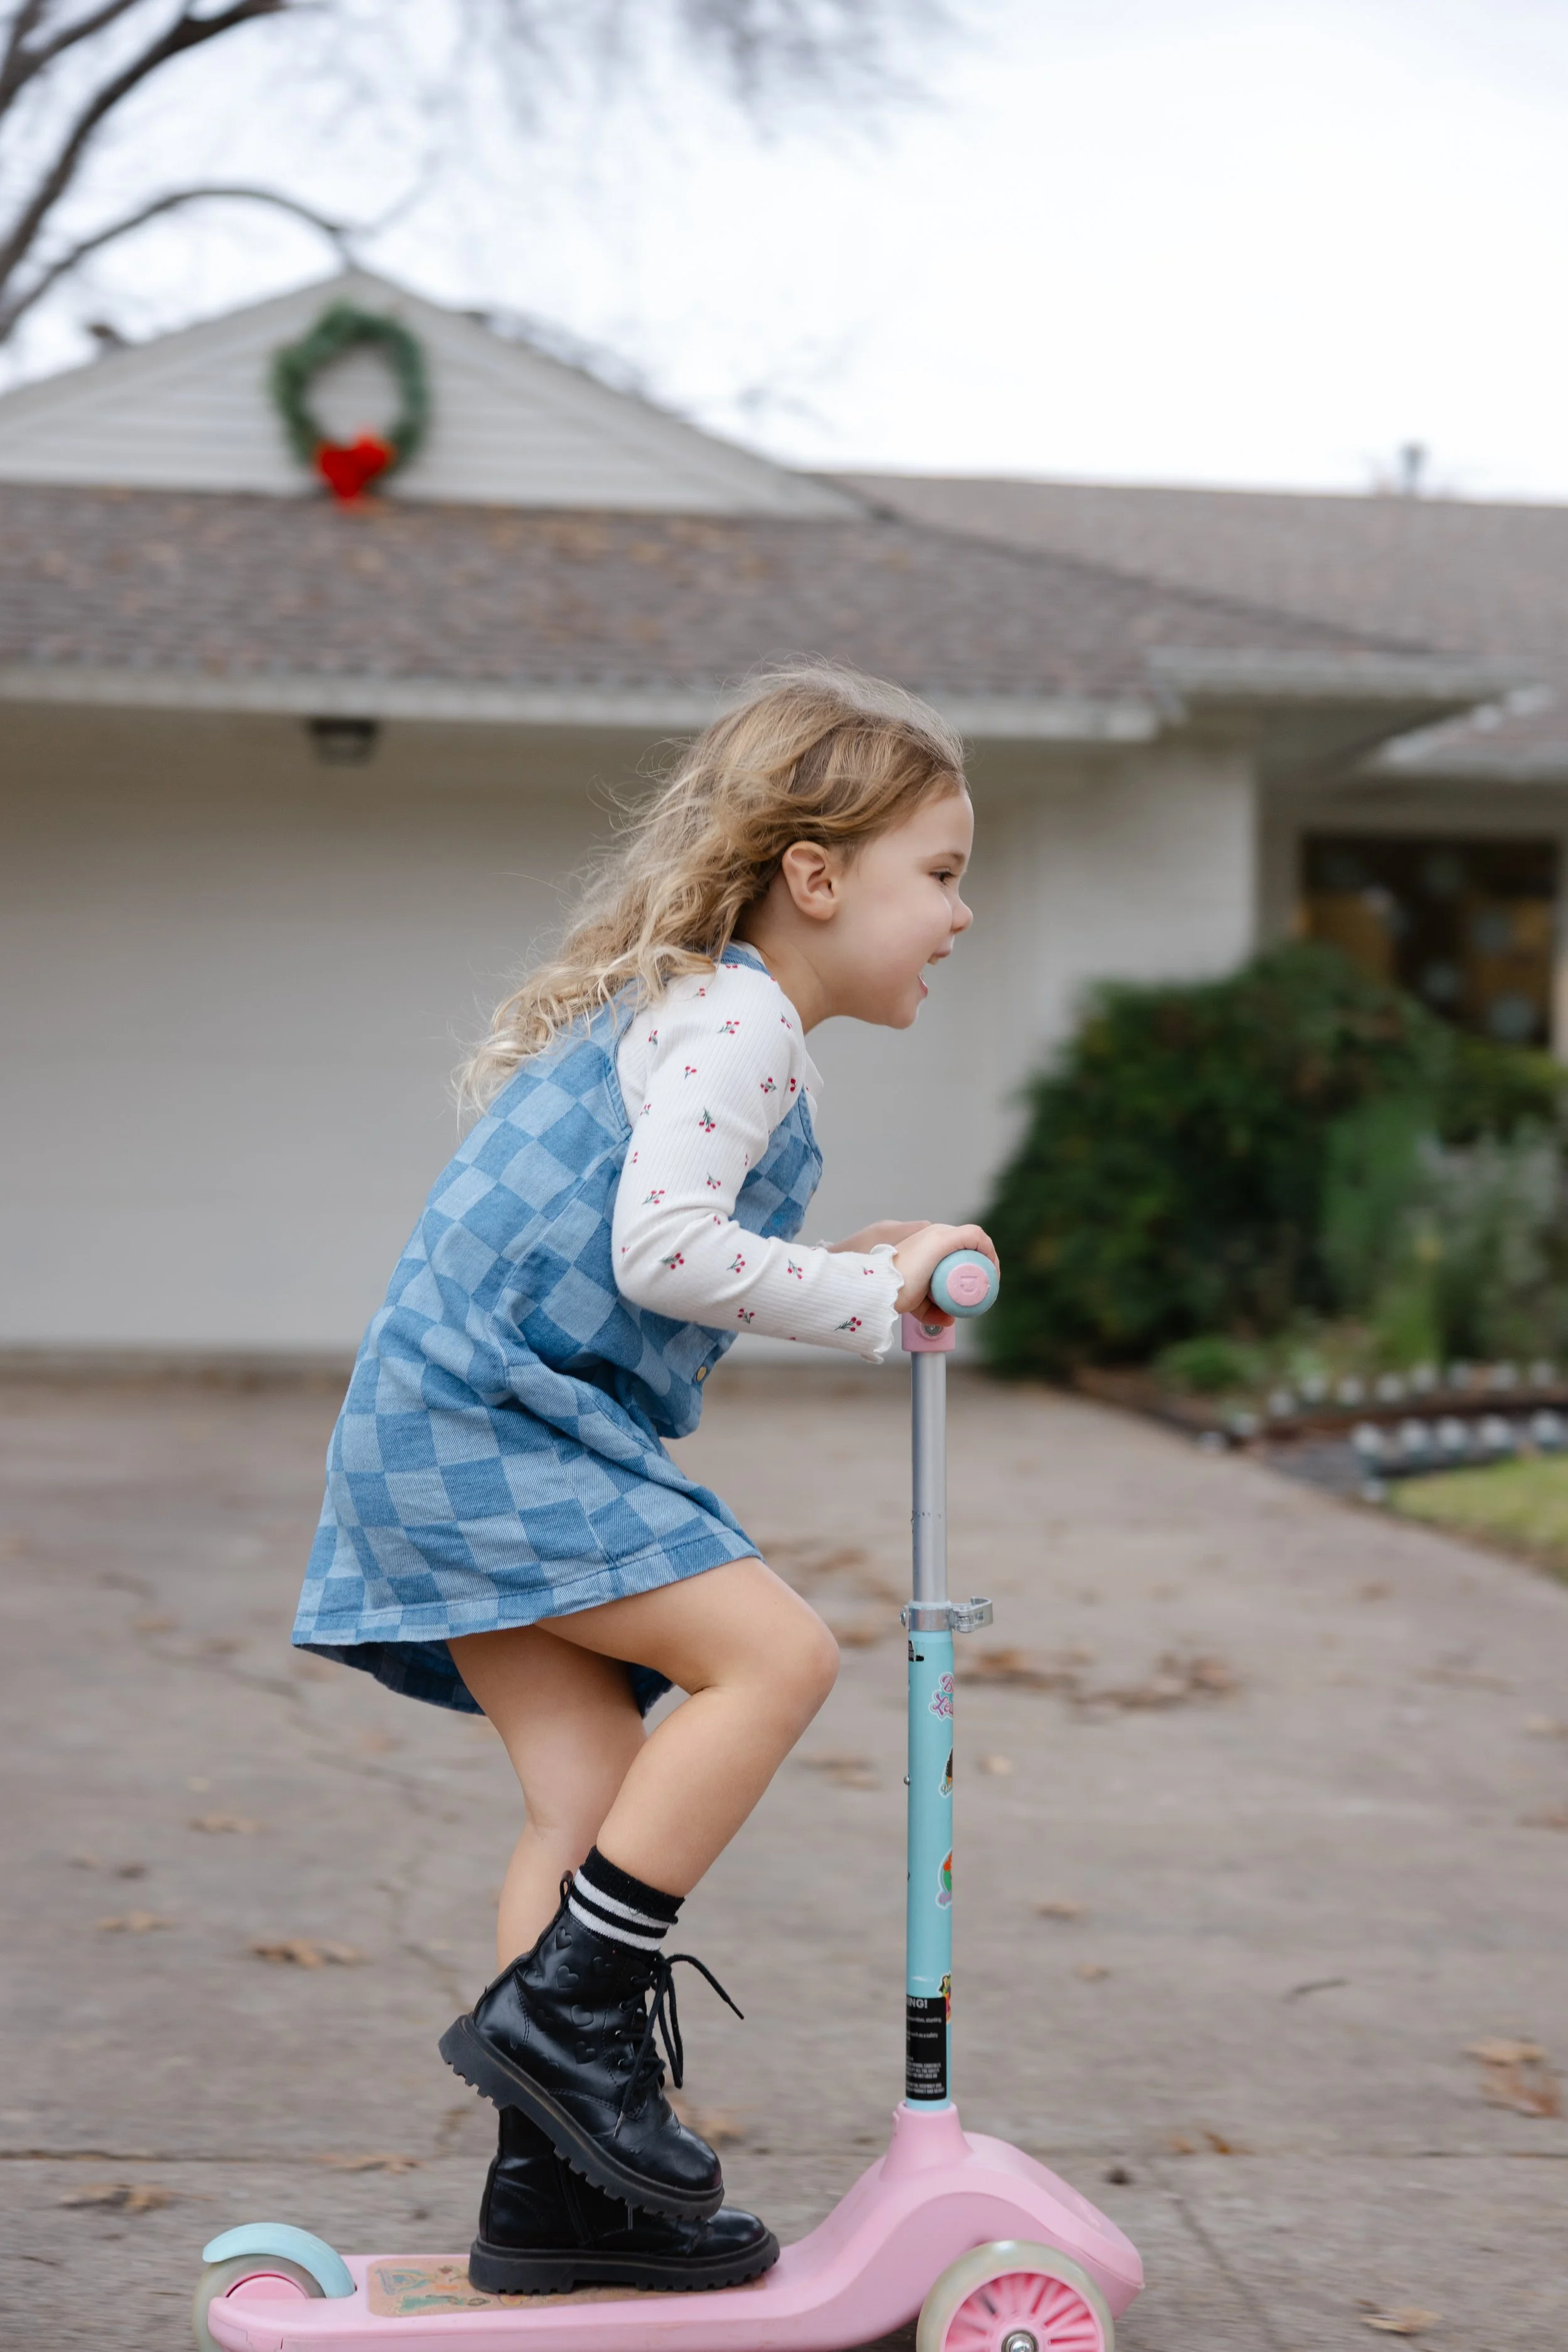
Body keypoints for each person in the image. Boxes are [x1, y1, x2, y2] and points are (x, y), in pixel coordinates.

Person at [292, 663, 996, 2295]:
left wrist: (839, 1259)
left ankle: (559, 2192)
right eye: (941, 871)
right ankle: (563, 2018)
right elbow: (667, 1248)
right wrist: (871, 1301)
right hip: (493, 1424)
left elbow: (659, 1236)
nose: (962, 912)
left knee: (587, 1796)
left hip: (445, 1419)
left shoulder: (706, 1013)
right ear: (813, 874)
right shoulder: (742, 1013)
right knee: (780, 1651)